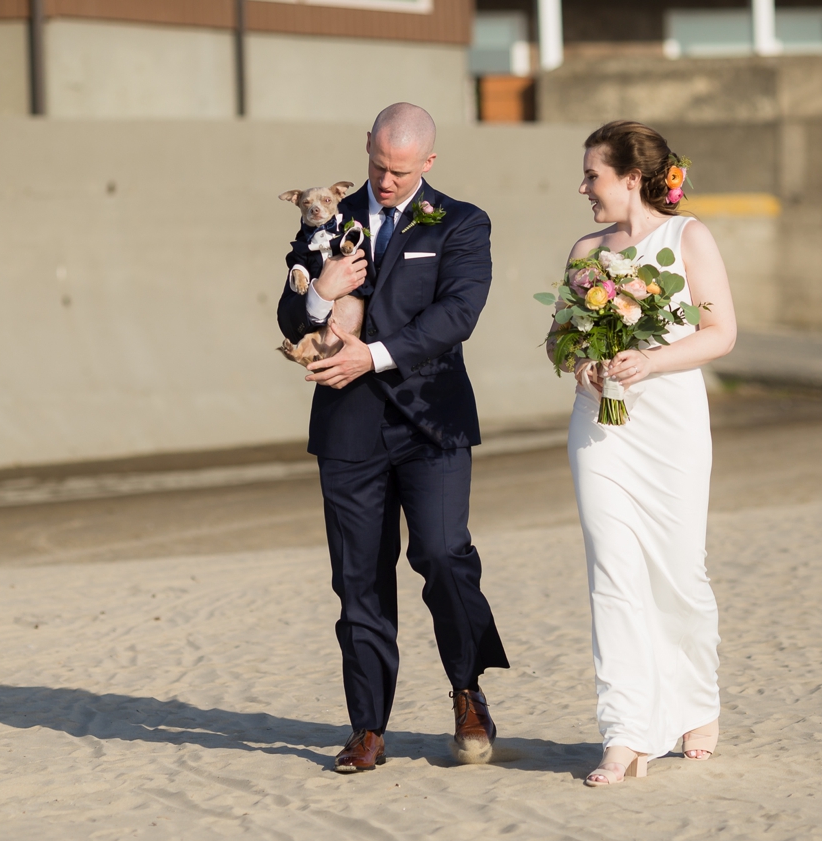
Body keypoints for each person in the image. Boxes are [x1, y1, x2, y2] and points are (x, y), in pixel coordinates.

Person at [275, 103, 509, 774]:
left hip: (431, 421)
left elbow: (456, 314)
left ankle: (467, 689)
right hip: (347, 427)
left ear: (428, 163)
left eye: (400, 171)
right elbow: (292, 312)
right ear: (366, 151)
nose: (384, 180)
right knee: (358, 581)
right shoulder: (329, 216)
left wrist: (370, 356)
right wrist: (320, 293)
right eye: (377, 165)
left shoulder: (462, 222)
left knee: (443, 555)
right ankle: (368, 728)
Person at [552, 121, 737, 787]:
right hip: (599, 429)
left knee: (679, 570)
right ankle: (625, 733)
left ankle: (696, 701)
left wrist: (649, 361)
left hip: (671, 424)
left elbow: (721, 334)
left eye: (592, 175)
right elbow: (562, 337)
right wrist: (581, 365)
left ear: (632, 178)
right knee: (612, 572)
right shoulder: (585, 249)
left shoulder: (690, 238)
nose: (584, 188)